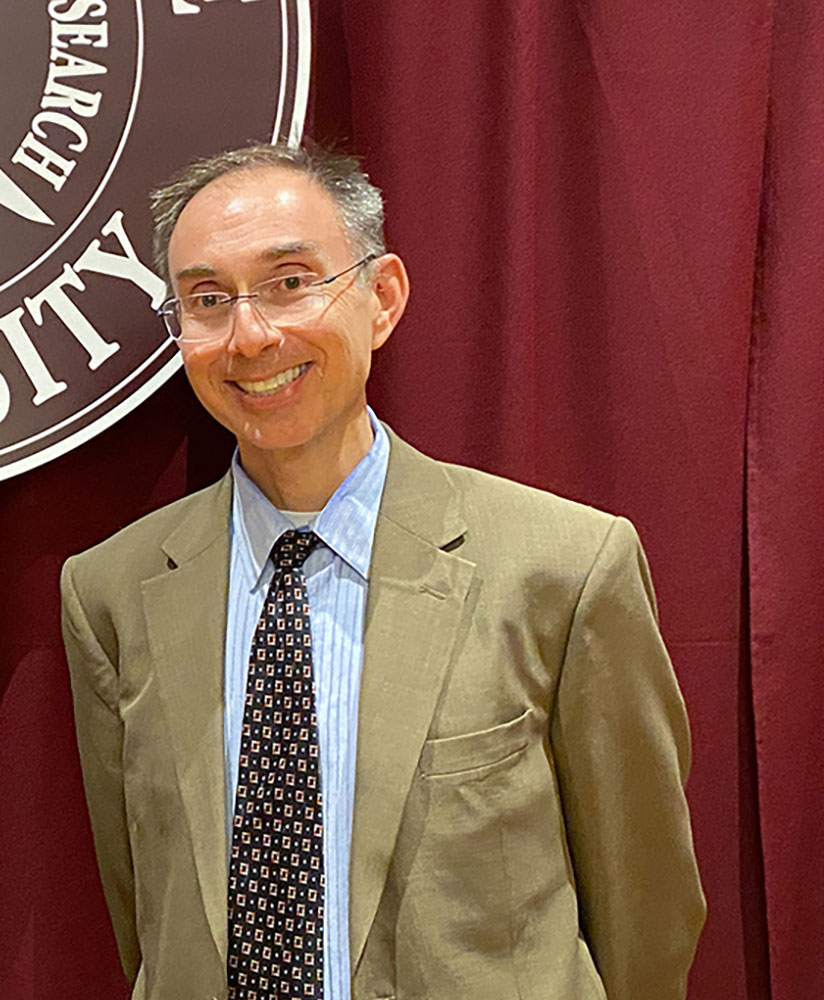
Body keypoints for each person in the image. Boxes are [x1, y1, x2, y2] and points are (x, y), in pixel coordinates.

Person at [59, 144, 704, 1000]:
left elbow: (645, 914)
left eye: (291, 283)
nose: (250, 335)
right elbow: (146, 911)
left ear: (383, 297)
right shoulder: (110, 593)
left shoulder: (561, 570)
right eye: (207, 300)